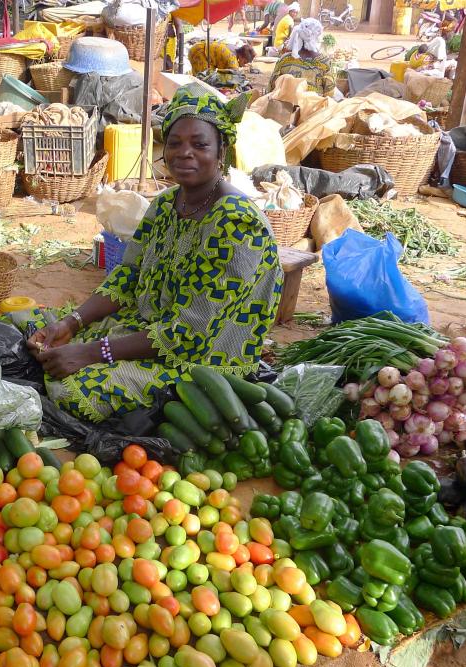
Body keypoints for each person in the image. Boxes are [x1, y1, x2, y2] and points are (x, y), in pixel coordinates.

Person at [26, 88, 282, 422]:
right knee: (40, 334)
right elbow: (127, 278)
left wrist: (93, 353)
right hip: (151, 329)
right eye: (174, 143)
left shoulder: (235, 222)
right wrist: (71, 323)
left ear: (222, 151)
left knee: (74, 390)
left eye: (200, 144)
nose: (184, 153)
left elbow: (189, 334)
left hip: (203, 358)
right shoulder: (166, 204)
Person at [268, 17, 336, 95]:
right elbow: (329, 92)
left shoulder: (285, 59)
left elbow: (272, 86)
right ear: (318, 36)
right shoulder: (324, 62)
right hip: (314, 106)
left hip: (286, 105)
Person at [188, 37, 256, 74]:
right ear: (241, 56)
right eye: (244, 62)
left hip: (198, 49)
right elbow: (233, 78)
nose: (244, 65)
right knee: (202, 81)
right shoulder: (232, 60)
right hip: (199, 54)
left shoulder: (233, 48)